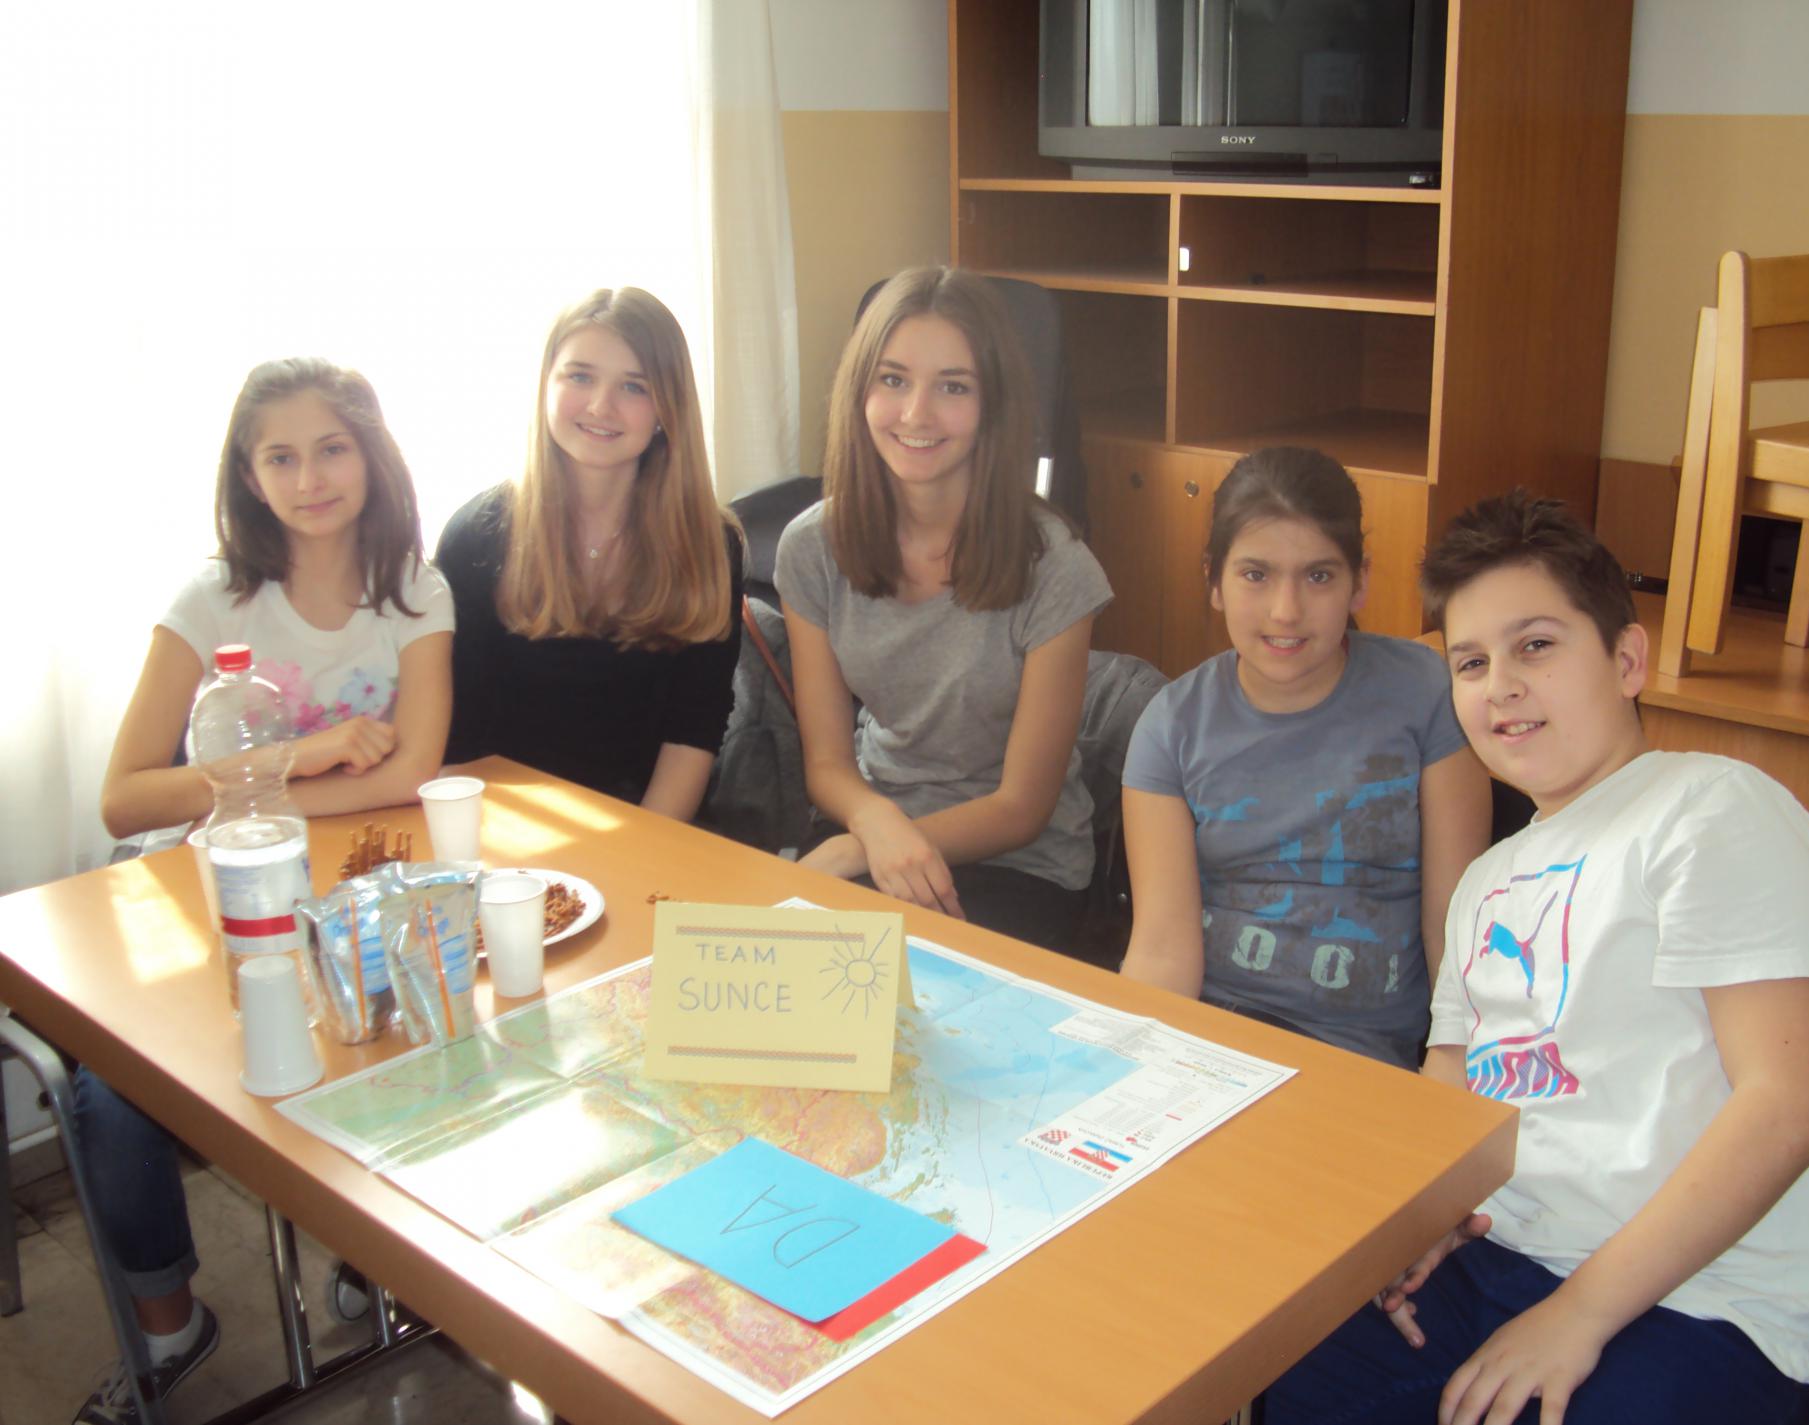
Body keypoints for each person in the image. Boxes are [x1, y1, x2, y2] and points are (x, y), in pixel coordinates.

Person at [1265, 490, 1809, 1425]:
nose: (1501, 684)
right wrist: (1422, 1218)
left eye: (1537, 645)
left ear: (1627, 660)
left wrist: (1580, 1312)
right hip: (1507, 1254)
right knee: (1275, 1367)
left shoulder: (1709, 806)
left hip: (1712, 1294)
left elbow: (1791, 1104)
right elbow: (1450, 1087)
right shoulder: (1486, 881)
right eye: (1472, 662)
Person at [84, 357, 454, 1423]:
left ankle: (374, 1249)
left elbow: (415, 770)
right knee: (107, 1090)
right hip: (203, 886)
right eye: (279, 458)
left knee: (403, 1008)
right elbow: (124, 797)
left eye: (331, 449)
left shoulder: (415, 589)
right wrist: (305, 756)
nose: (309, 479)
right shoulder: (211, 598)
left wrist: (270, 794)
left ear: (372, 456)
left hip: (351, 874)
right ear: (247, 476)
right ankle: (170, 1324)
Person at [1119, 447, 1491, 1069]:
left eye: (1318, 576)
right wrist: (1129, 1071)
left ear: (1359, 581)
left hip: (1364, 1058)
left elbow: (1455, 928)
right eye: (1255, 575)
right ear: (1214, 580)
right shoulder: (1171, 726)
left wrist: (1453, 1062)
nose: (1286, 610)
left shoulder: (1427, 693)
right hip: (1212, 1040)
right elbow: (1162, 953)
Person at [775, 266, 1112, 950]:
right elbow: (828, 764)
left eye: (953, 386)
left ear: (994, 404)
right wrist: (873, 826)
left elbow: (1022, 807)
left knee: (909, 1006)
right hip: (871, 823)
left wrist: (864, 847)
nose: (916, 414)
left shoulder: (1058, 566)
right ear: (860, 389)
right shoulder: (811, 548)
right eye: (893, 379)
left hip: (1016, 863)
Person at [434, 288, 741, 817]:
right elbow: (457, 742)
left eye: (634, 386)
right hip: (505, 821)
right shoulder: (476, 536)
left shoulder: (710, 543)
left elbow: (694, 730)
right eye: (580, 377)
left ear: (667, 409)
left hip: (650, 822)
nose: (601, 406)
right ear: (546, 386)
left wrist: (643, 847)